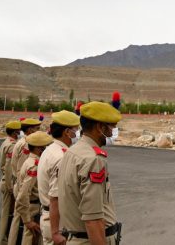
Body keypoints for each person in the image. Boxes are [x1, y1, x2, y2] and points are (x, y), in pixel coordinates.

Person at [58, 101, 122, 244]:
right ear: (100, 127)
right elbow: (93, 219)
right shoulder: (92, 160)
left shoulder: (73, 151)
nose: (113, 132)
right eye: (111, 127)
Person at [37, 110, 80, 245]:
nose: (78, 134)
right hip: (57, 222)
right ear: (67, 132)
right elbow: (55, 197)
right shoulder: (61, 157)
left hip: (51, 217)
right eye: (76, 130)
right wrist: (56, 232)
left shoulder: (50, 149)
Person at [8, 131, 53, 245]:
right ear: (39, 149)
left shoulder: (30, 161)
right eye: (45, 147)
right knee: (30, 240)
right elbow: (23, 194)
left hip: (33, 209)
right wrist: (27, 220)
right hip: (33, 210)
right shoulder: (34, 165)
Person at [9, 117, 42, 243]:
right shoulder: (26, 145)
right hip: (25, 187)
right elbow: (25, 168)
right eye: (37, 129)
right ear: (30, 130)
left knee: (18, 221)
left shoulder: (23, 141)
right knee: (22, 223)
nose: (39, 132)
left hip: (22, 185)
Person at [0, 121, 21, 245]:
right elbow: (8, 168)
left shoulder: (6, 142)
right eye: (19, 131)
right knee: (7, 215)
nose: (20, 133)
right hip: (8, 183)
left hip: (6, 182)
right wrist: (10, 187)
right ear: (15, 132)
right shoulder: (12, 145)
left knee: (8, 214)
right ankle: (4, 241)